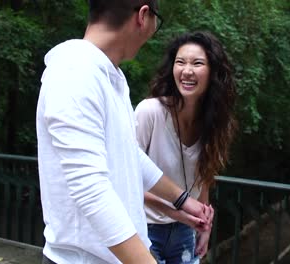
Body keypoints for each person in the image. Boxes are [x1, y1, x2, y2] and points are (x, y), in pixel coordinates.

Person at [36, 2, 211, 264]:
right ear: (143, 16)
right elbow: (91, 190)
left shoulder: (109, 76)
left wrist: (183, 200)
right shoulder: (75, 73)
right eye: (156, 19)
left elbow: (128, 154)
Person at [135, 31, 237, 263]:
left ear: (212, 72)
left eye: (197, 63)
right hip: (143, 228)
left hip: (184, 232)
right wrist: (179, 212)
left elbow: (204, 178)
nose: (187, 70)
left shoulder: (215, 123)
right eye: (180, 62)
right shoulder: (150, 112)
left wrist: (205, 226)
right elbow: (123, 179)